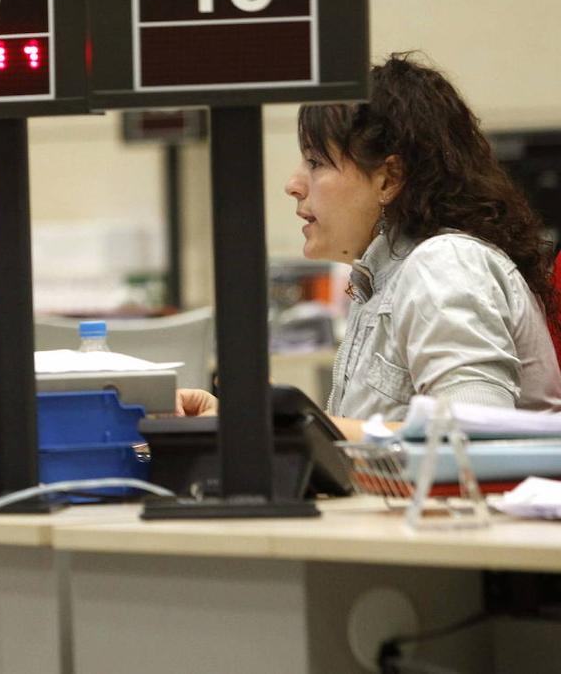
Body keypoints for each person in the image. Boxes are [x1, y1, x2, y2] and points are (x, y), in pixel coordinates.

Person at [179, 53, 561, 439]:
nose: (293, 184)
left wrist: (279, 432)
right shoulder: (383, 278)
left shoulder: (446, 262)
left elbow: (470, 438)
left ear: (388, 178)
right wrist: (245, 427)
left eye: (316, 162)